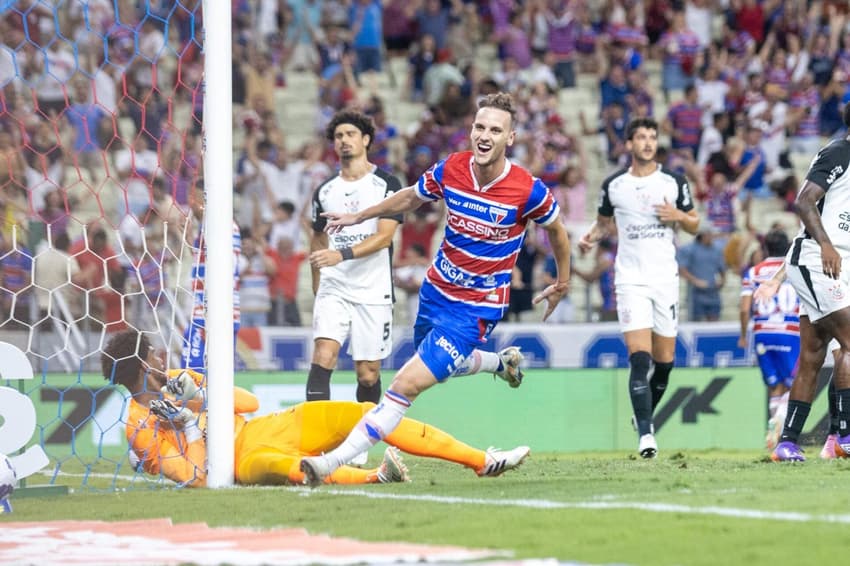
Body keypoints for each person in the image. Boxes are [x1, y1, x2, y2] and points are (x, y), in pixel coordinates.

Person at [299, 92, 571, 485]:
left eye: (496, 129)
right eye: (480, 127)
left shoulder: (526, 189)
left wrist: (562, 281)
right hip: (435, 292)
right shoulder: (452, 169)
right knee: (438, 369)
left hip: (475, 308)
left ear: (509, 138)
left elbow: (558, 233)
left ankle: (331, 462)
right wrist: (361, 214)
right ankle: (501, 363)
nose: (485, 135)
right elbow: (410, 196)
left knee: (404, 385)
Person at [101, 329, 528, 486]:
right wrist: (193, 426)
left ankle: (481, 461)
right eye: (155, 354)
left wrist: (196, 391)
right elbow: (194, 478)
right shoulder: (138, 425)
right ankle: (373, 477)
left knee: (367, 415)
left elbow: (247, 402)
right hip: (238, 463)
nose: (163, 356)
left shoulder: (178, 377)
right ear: (143, 364)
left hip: (261, 428)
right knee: (291, 467)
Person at [579, 117, 700, 459]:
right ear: (629, 144)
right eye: (641, 137)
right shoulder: (614, 185)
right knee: (639, 357)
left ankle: (641, 415)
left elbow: (695, 224)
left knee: (664, 364)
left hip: (665, 280)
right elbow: (604, 224)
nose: (647, 142)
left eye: (652, 137)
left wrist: (678, 216)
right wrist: (591, 237)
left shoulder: (674, 181)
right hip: (630, 279)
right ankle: (647, 435)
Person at [769, 103, 850, 461]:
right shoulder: (839, 151)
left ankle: (787, 443)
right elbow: (803, 203)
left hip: (839, 266)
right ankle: (845, 438)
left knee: (813, 356)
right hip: (818, 259)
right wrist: (827, 244)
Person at [306, 110, 403, 405]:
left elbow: (384, 237)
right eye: (338, 136)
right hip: (335, 286)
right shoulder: (325, 190)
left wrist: (341, 254)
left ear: (366, 140)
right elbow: (318, 237)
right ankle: (317, 440)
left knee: (368, 374)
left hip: (373, 288)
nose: (344, 141)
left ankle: (361, 443)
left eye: (350, 135)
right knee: (324, 353)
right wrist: (318, 286)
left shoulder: (387, 185)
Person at [739, 229, 800, 450]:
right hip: (790, 331)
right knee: (794, 384)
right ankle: (780, 424)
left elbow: (745, 308)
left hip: (762, 332)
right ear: (788, 247)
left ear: (765, 248)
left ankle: (775, 429)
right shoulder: (793, 269)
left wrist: (743, 333)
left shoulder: (754, 271)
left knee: (774, 386)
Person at [182, 182, 242, 373]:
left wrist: (211, 310)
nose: (191, 203)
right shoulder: (216, 227)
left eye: (194, 198)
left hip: (210, 312)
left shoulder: (220, 226)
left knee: (193, 374)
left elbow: (226, 267)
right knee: (216, 375)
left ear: (204, 200)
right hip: (221, 311)